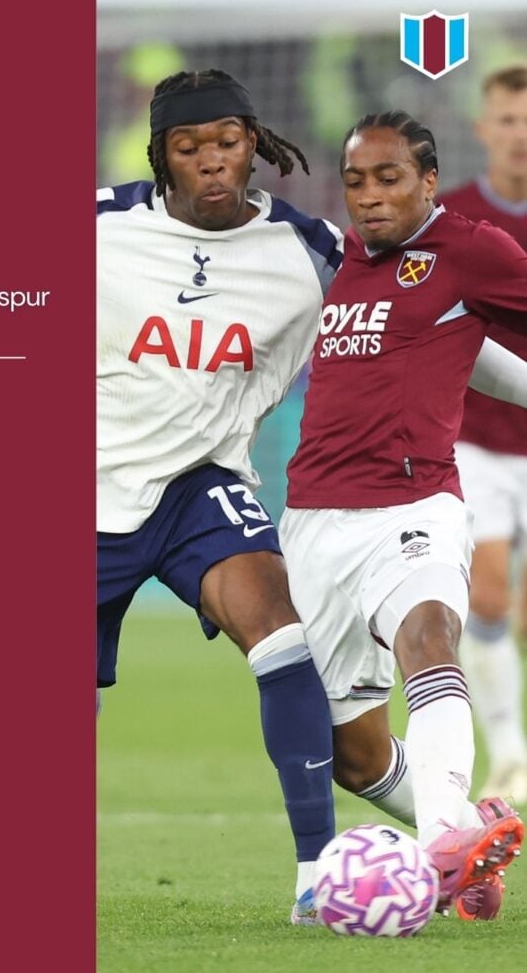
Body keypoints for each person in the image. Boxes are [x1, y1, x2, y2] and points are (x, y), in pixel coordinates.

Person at [97, 68, 345, 925]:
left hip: (200, 484)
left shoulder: (309, 253)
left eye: (226, 144)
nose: (211, 162)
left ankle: (320, 874)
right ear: (161, 159)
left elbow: (421, 319)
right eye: (188, 147)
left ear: (254, 146)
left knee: (283, 638)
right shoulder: (93, 225)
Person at [280, 110, 527, 922]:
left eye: (388, 179)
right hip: (314, 521)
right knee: (355, 758)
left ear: (426, 180)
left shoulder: (468, 250)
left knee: (429, 633)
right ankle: (464, 834)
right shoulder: (342, 257)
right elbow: (466, 352)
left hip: (414, 504)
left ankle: (440, 848)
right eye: (354, 182)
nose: (369, 197)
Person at [440, 65, 527, 805]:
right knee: (490, 599)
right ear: (482, 129)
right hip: (476, 438)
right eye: (506, 120)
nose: (520, 134)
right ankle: (509, 756)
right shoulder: (453, 219)